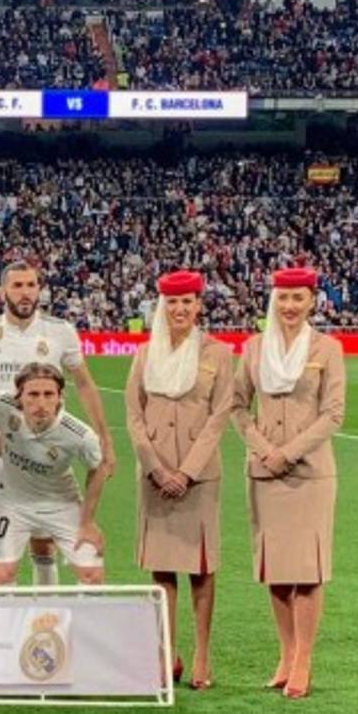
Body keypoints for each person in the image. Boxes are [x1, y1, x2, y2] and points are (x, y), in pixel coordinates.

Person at [0, 260, 115, 586]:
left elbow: (85, 385)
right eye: (17, 285)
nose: (25, 292)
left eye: (31, 285)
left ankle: (46, 626)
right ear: (2, 291)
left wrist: (105, 438)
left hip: (46, 448)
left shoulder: (59, 331)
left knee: (44, 542)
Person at [231, 267, 345, 700]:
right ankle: (285, 653)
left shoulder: (327, 349)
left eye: (298, 298)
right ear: (272, 300)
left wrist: (288, 452)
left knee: (308, 570)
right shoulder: (254, 348)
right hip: (264, 471)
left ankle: (304, 660)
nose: (290, 306)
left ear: (312, 301)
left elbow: (333, 414)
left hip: (310, 473)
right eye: (283, 298)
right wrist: (264, 449)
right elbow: (238, 406)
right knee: (277, 570)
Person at [125, 270, 234, 689]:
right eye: (173, 302)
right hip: (154, 476)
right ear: (162, 306)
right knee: (162, 568)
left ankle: (203, 657)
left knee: (201, 568)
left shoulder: (219, 354)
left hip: (199, 476)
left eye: (188, 301)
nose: (180, 309)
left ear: (199, 305)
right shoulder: (144, 353)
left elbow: (219, 416)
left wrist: (187, 472)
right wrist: (155, 467)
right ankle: (167, 654)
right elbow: (134, 417)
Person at [0, 363, 110, 585]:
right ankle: (9, 619)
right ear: (18, 397)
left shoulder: (79, 435)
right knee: (2, 573)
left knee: (92, 575)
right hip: (14, 502)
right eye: (33, 394)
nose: (41, 403)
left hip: (61, 503)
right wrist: (1, 447)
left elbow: (98, 468)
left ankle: (60, 617)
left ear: (60, 397)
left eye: (48, 394)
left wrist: (87, 521)